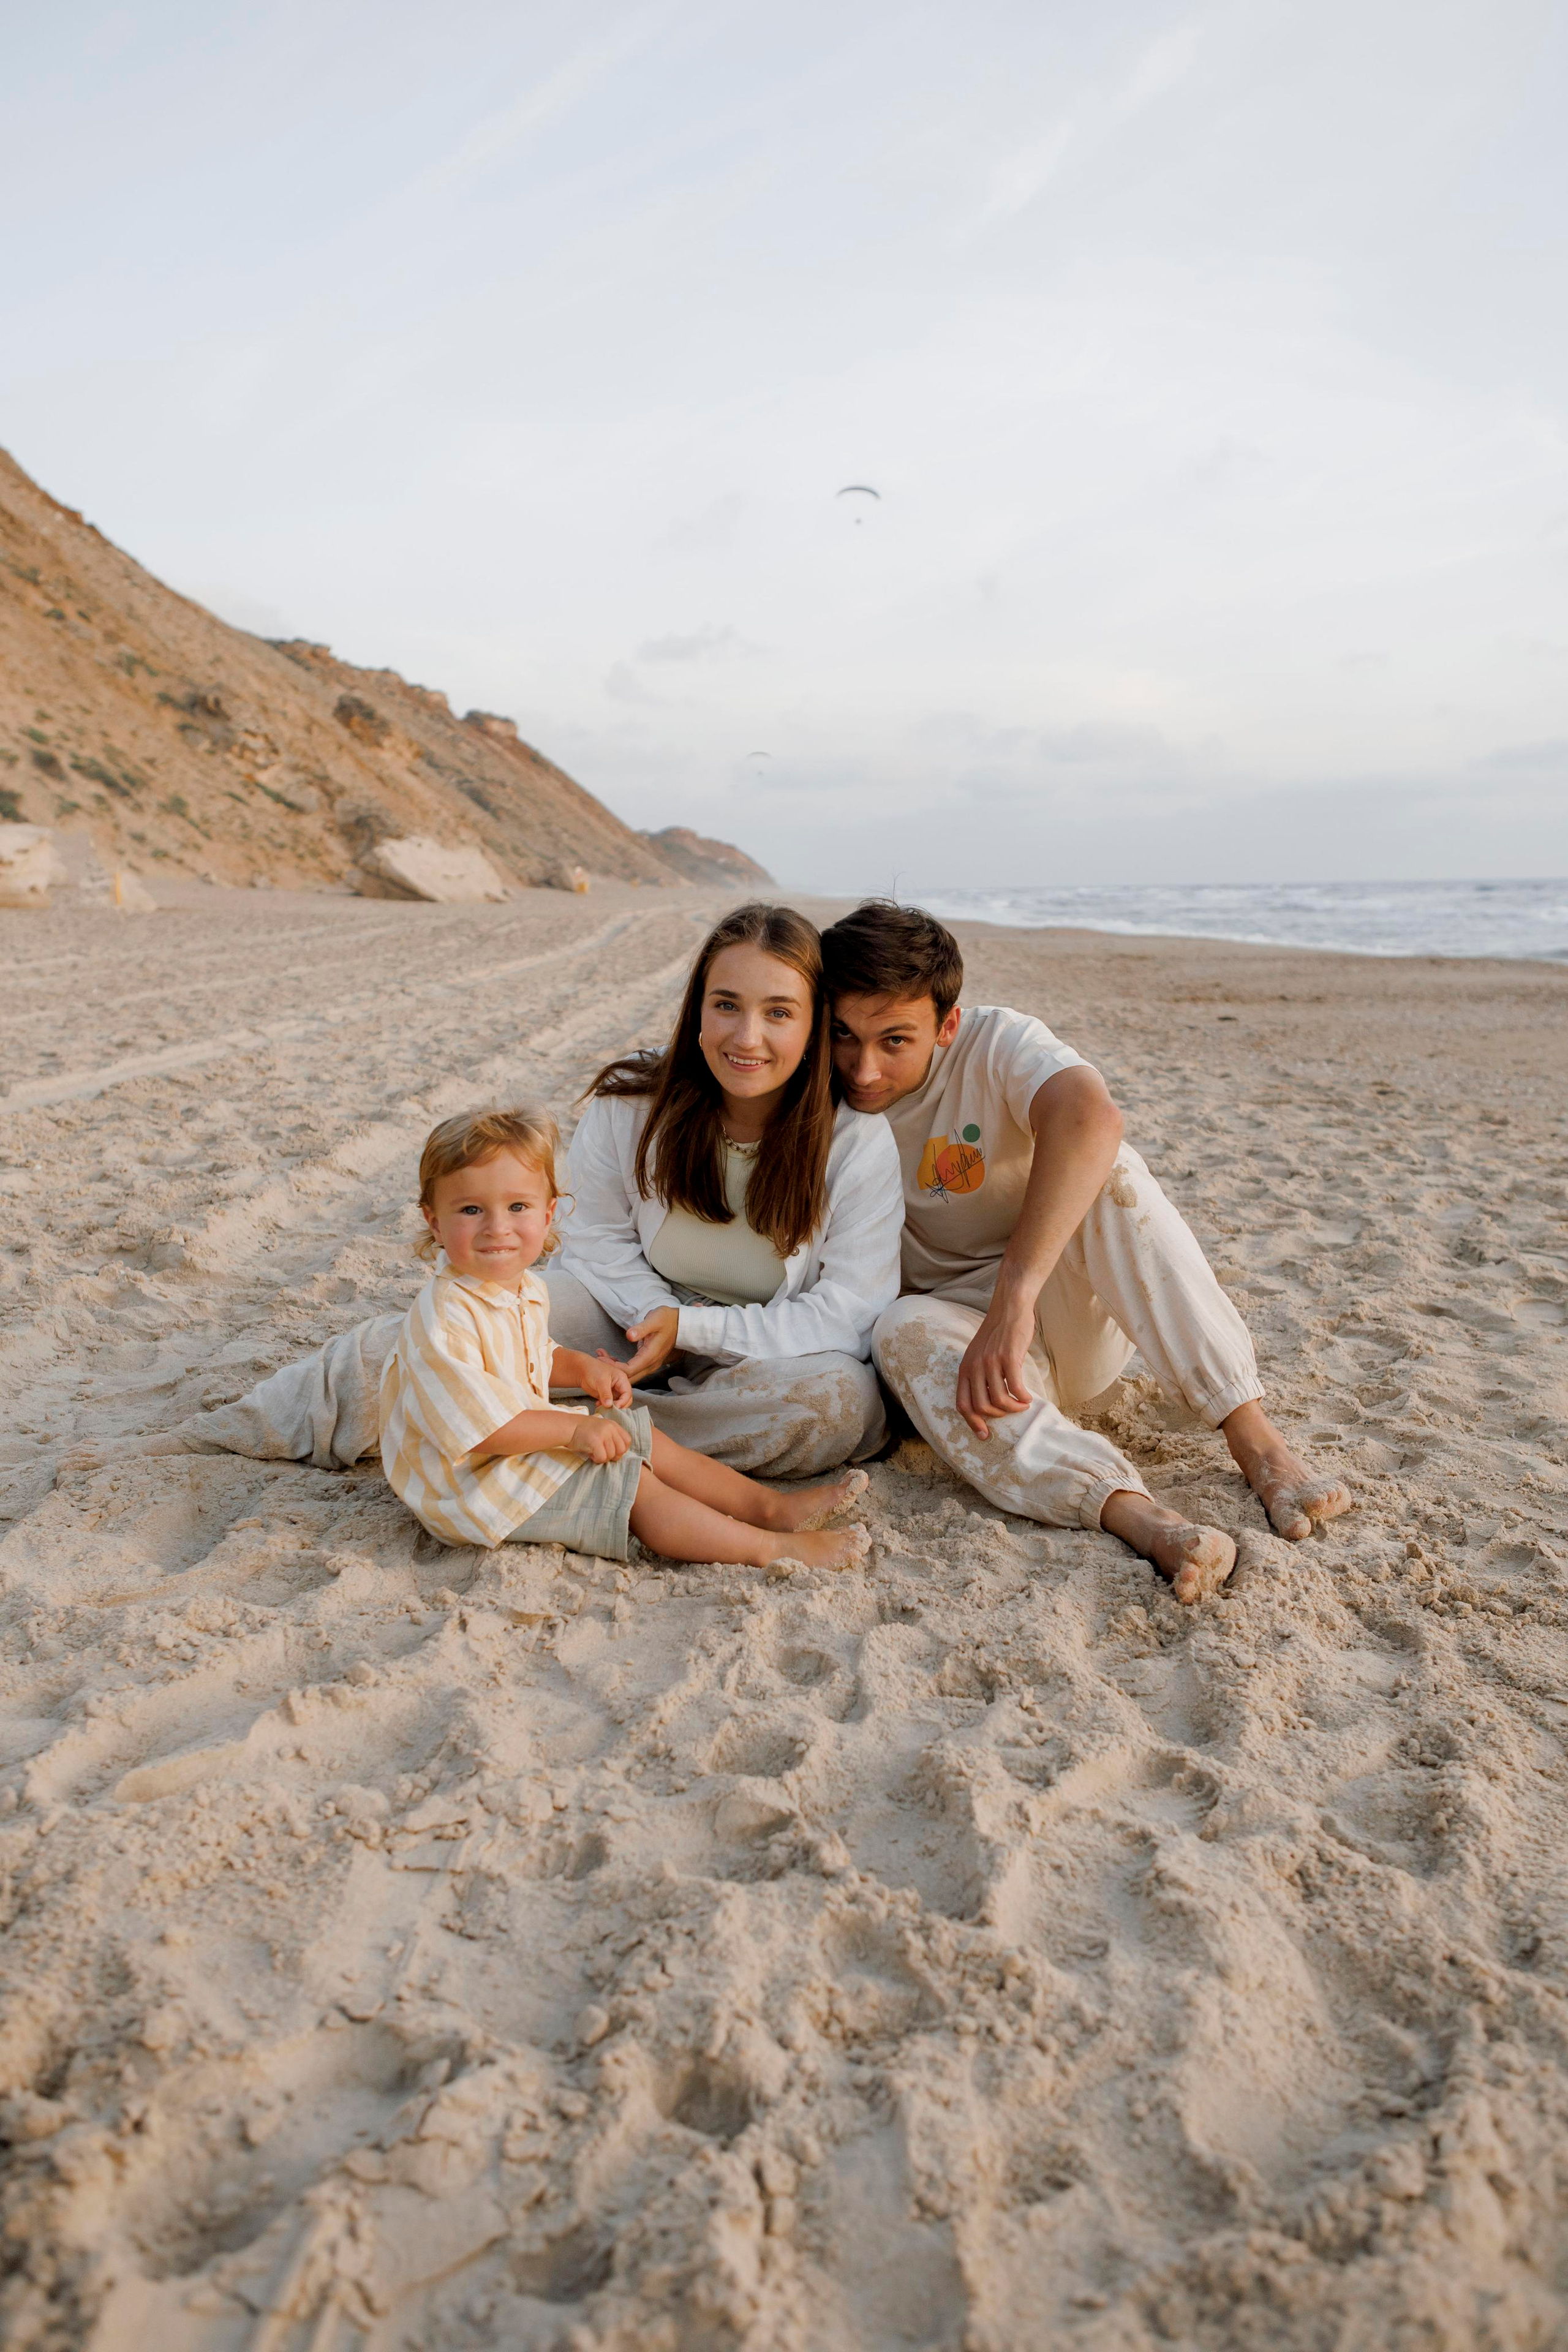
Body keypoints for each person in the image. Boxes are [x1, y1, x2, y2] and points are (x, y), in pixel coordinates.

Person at [86, 904, 903, 1485]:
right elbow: (594, 1240)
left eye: (778, 1013)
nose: (746, 1037)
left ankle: (569, 1435)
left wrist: (696, 1330)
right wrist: (653, 1323)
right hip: (622, 1317)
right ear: (698, 1012)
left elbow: (852, 1309)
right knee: (445, 1330)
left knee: (838, 1406)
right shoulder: (635, 1103)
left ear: (813, 1024)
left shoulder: (854, 1143)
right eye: (726, 1006)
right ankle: (237, 1430)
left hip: (756, 1359)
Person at [821, 901, 1352, 1604]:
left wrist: (1014, 1299)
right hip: (961, 1353)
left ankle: (1256, 1440)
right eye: (842, 1036)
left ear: (946, 1025)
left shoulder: (995, 1041)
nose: (863, 1069)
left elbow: (1090, 1112)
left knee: (1114, 1172)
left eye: (894, 1040)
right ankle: (1139, 1516)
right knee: (898, 1329)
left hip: (1061, 1311)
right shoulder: (813, 1089)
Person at [383, 1103, 869, 1572]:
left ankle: (770, 1509)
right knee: (631, 1482)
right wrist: (574, 1430)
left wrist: (584, 1369)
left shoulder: (521, 1288)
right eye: (471, 1209)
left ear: (549, 1214)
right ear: (434, 1222)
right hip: (473, 1484)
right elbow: (481, 1429)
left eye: (517, 1206)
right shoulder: (446, 1317)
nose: (498, 1228)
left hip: (515, 1443)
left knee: (645, 1437)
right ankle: (768, 1548)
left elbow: (533, 1355)